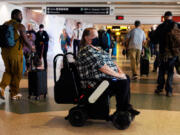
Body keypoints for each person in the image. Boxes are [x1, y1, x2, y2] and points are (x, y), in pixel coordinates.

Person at [76, 28, 140, 116]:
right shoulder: (86, 51)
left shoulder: (97, 49)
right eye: (94, 37)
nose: (97, 39)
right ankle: (121, 110)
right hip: (94, 82)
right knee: (123, 82)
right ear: (86, 38)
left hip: (103, 79)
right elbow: (102, 67)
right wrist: (119, 76)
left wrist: (121, 74)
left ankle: (125, 107)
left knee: (126, 78)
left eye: (97, 37)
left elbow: (111, 63)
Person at [0, 9, 34, 100]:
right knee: (17, 73)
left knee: (8, 71)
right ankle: (14, 93)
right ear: (15, 15)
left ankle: (1, 87)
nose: (21, 17)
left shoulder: (5, 24)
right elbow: (25, 40)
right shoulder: (20, 26)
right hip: (15, 53)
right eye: (20, 15)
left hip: (4, 52)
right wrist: (32, 48)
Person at [152, 11, 180, 97]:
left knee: (161, 70)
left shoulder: (160, 27)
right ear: (171, 17)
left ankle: (160, 88)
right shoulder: (177, 25)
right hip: (173, 53)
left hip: (162, 52)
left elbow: (154, 40)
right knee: (170, 71)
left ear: (164, 17)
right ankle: (169, 91)